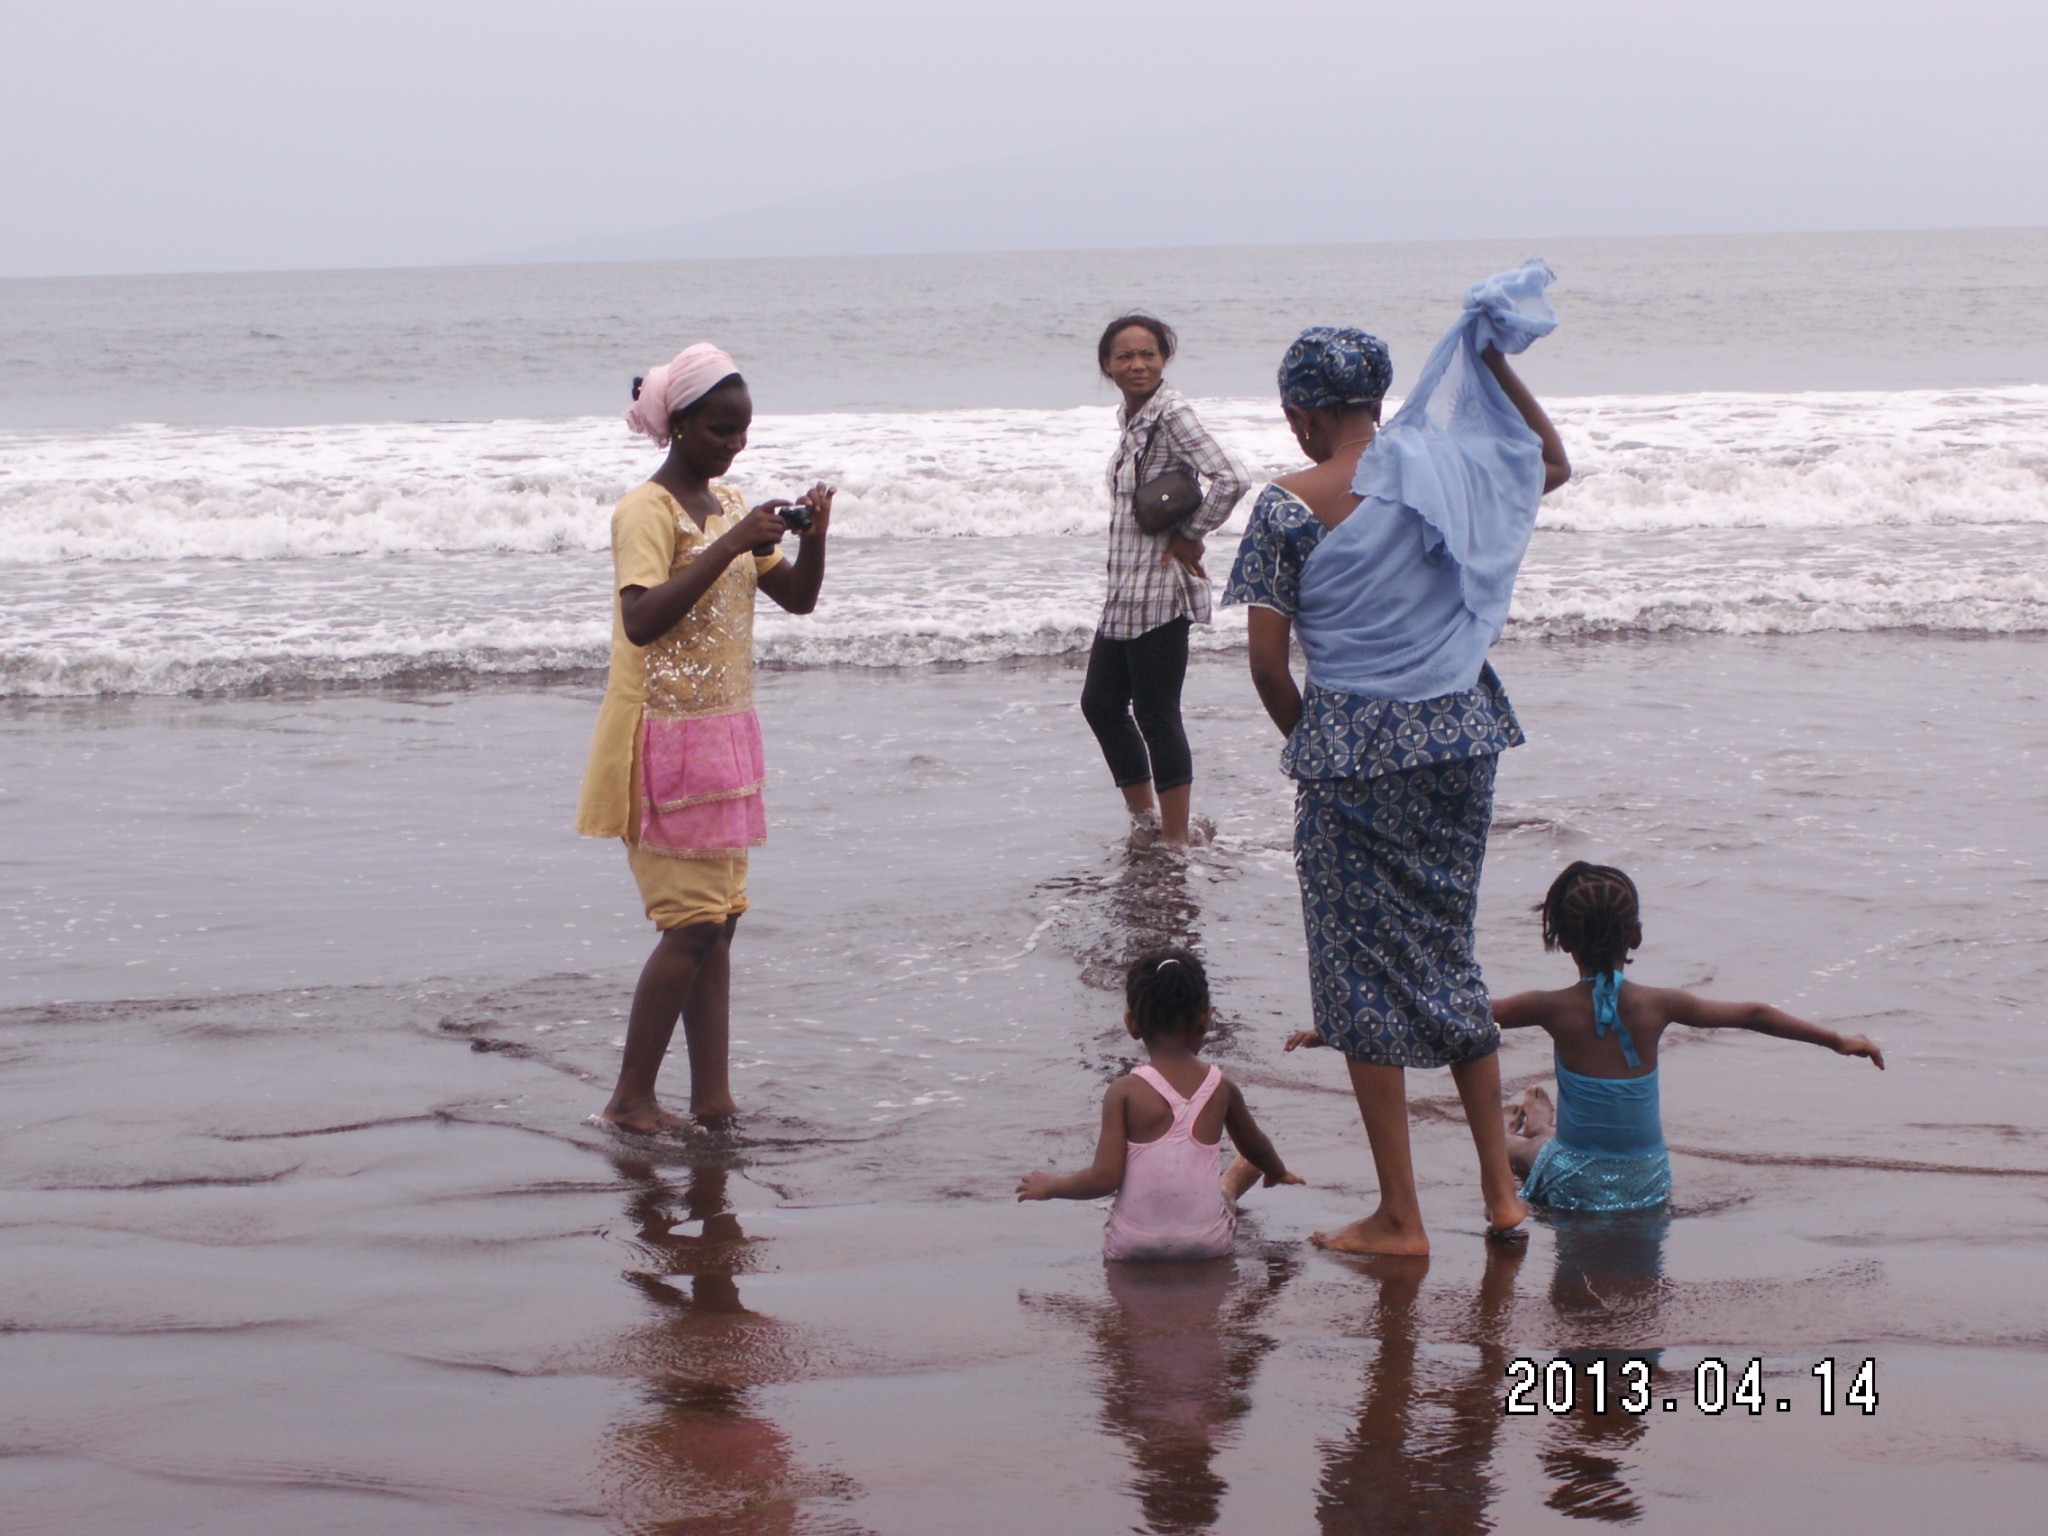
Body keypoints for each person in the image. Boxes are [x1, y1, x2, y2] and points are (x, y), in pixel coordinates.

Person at [1225, 265, 1573, 1256]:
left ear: (1300, 414)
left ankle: (1399, 1215)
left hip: (1352, 751)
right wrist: (1491, 366)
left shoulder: (1288, 508)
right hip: (1459, 734)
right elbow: (1545, 464)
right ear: (1374, 401)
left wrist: (1309, 740)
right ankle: (1499, 1201)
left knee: (1355, 979)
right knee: (1447, 956)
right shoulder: (1445, 471)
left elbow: (1262, 659)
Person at [575, 342, 832, 1133]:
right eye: (720, 430)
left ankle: (711, 1097)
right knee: (686, 927)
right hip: (659, 738)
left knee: (719, 927)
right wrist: (728, 543)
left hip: (721, 737)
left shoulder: (733, 507)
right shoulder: (644, 513)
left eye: (743, 431)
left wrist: (812, 536)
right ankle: (630, 1098)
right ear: (678, 425)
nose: (734, 446)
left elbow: (797, 599)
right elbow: (642, 619)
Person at [1491, 861, 1885, 1212]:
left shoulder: (1547, 1006)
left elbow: (1477, 1014)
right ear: (1636, 935)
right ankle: (1542, 1123)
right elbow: (1754, 1014)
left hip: (1573, 1182)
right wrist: (1836, 1040)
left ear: (1564, 942)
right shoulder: (1661, 1004)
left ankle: (1532, 1128)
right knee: (1553, 1145)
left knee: (1520, 1149)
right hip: (1647, 1182)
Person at [1082, 314, 1250, 847]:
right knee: (1101, 705)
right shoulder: (1133, 418)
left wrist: (1190, 534)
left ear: (1164, 359)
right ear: (1106, 365)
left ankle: (1176, 838)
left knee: (1156, 714)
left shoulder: (1172, 413)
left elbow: (1232, 477)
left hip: (1159, 590)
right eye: (1125, 356)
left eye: (1148, 354)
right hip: (1125, 592)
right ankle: (1145, 820)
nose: (1137, 365)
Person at [1017, 949, 1302, 1258]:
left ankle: (1223, 1187)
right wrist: (1277, 1171)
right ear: (1206, 1018)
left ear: (1131, 1024)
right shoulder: (1221, 1088)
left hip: (1133, 1244)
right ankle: (1231, 1184)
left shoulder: (1122, 1092)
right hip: (1207, 1243)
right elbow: (1256, 1146)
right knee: (1231, 1184)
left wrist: (1053, 1186)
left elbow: (1104, 1179)